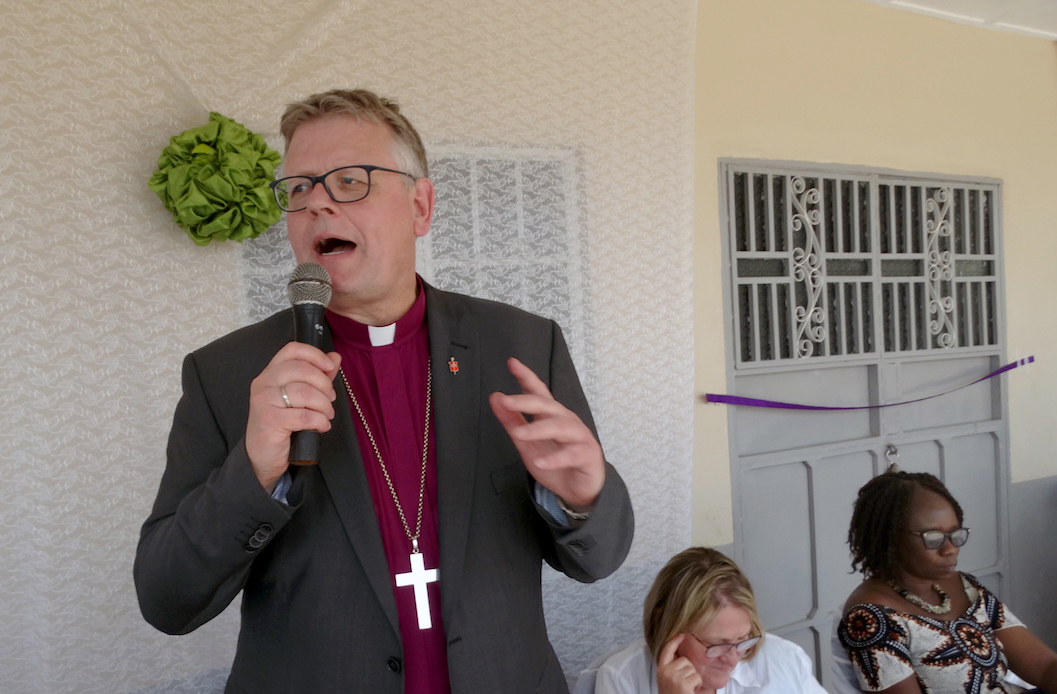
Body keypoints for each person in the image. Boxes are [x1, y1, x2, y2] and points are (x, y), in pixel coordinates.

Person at [134, 88, 634, 694]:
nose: (317, 203)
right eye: (297, 189)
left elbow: (597, 559)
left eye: (349, 181)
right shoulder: (226, 373)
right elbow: (166, 601)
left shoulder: (523, 345)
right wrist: (253, 473)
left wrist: (583, 498)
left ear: (420, 206)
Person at [838, 467, 1057, 693]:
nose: (951, 549)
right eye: (933, 538)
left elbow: (1044, 666)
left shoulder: (965, 586)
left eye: (955, 534)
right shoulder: (870, 620)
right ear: (889, 539)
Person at [577, 547, 827, 694]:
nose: (732, 659)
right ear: (667, 627)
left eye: (742, 640)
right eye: (716, 644)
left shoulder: (784, 659)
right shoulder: (623, 678)